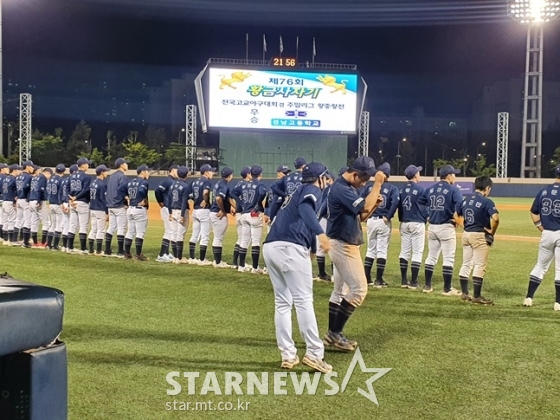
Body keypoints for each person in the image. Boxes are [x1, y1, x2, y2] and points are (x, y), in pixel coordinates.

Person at [263, 162, 333, 373]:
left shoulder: (297, 190)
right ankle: (314, 353)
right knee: (303, 302)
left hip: (271, 246)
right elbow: (305, 209)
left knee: (283, 303)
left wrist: (311, 247)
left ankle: (288, 355)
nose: (327, 181)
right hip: (290, 248)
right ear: (320, 178)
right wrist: (321, 234)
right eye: (325, 177)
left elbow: (302, 213)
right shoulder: (312, 189)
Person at [324, 157, 385, 352]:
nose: (365, 182)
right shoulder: (341, 188)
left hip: (344, 241)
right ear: (355, 174)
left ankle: (332, 334)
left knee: (340, 291)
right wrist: (377, 185)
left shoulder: (348, 188)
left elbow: (361, 216)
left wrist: (374, 204)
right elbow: (364, 207)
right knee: (359, 290)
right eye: (364, 178)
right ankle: (335, 332)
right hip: (343, 244)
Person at [523, 164, 560, 311]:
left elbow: (533, 212)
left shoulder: (544, 191)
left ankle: (529, 298)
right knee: (559, 269)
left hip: (546, 234)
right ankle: (558, 303)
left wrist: (540, 227)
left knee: (540, 266)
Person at [458, 175, 499, 305]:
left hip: (466, 234)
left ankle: (464, 293)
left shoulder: (465, 199)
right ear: (487, 188)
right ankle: (476, 296)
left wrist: (465, 226)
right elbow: (496, 218)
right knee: (480, 265)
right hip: (479, 235)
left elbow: (456, 215)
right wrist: (492, 231)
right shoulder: (487, 201)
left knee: (466, 263)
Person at [423, 164, 464, 295]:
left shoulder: (430, 189)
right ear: (449, 176)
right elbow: (460, 207)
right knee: (448, 258)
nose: (455, 176)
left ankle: (427, 286)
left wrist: (427, 215)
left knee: (431, 257)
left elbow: (420, 202)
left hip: (432, 227)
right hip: (446, 226)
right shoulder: (454, 190)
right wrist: (456, 218)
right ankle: (447, 289)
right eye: (454, 174)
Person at [363, 162, 399, 288]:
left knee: (370, 249)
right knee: (381, 250)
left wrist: (366, 216)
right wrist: (388, 216)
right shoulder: (392, 188)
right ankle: (378, 279)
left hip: (371, 220)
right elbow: (395, 203)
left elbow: (362, 201)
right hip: (383, 221)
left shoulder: (369, 187)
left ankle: (367, 278)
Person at [231, 165, 268, 274]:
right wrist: (257, 205)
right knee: (256, 241)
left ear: (251, 174)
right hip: (254, 214)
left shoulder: (244, 184)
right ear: (260, 174)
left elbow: (232, 193)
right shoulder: (260, 184)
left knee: (244, 240)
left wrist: (241, 202)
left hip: (244, 214)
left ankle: (241, 266)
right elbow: (262, 193)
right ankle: (255, 268)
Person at [398, 165, 429, 289]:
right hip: (417, 223)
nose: (419, 175)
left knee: (404, 251)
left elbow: (398, 206)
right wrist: (427, 216)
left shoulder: (401, 189)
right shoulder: (421, 190)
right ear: (415, 175)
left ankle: (404, 280)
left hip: (404, 222)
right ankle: (414, 282)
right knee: (417, 252)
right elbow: (426, 207)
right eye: (418, 173)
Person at [123, 164, 151, 261]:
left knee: (130, 231)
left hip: (130, 209)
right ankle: (138, 255)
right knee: (140, 232)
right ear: (143, 172)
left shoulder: (130, 182)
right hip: (139, 209)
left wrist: (128, 199)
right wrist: (144, 200)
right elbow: (142, 191)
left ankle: (127, 253)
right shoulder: (144, 182)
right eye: (147, 171)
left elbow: (122, 191)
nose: (148, 173)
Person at [188, 163, 214, 265]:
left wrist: (196, 199)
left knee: (195, 234)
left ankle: (192, 258)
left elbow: (190, 195)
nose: (212, 173)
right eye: (211, 171)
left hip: (195, 211)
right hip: (204, 211)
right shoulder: (206, 182)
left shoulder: (194, 182)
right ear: (206, 172)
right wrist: (205, 200)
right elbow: (206, 192)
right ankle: (202, 260)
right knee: (204, 236)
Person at [104, 157, 129, 258]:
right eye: (125, 163)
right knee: (121, 228)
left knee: (111, 227)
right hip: (118, 205)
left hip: (110, 205)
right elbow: (123, 190)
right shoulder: (122, 176)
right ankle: (120, 250)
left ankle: (107, 249)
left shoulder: (111, 176)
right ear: (121, 165)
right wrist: (126, 200)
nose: (127, 165)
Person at [315, 170, 336, 282]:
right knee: (328, 244)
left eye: (328, 179)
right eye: (326, 179)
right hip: (326, 218)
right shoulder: (328, 189)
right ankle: (324, 273)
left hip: (323, 218)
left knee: (324, 245)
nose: (327, 181)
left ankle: (324, 273)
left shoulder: (322, 189)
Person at [210, 167, 234, 268]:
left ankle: (217, 261)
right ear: (230, 176)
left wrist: (234, 206)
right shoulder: (223, 184)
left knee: (218, 237)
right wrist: (223, 210)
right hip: (217, 214)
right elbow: (219, 198)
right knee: (218, 238)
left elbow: (227, 197)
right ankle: (218, 262)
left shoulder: (219, 182)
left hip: (213, 212)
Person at [68, 157, 93, 254]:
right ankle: (83, 249)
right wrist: (76, 197)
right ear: (82, 165)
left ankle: (69, 247)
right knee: (83, 226)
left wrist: (70, 198)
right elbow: (86, 190)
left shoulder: (71, 176)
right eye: (87, 164)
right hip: (81, 202)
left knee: (73, 225)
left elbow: (66, 187)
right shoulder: (86, 177)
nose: (88, 165)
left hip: (72, 202)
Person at [167, 166, 191, 264]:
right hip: (181, 211)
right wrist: (182, 215)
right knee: (180, 235)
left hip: (173, 210)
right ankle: (179, 258)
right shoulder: (185, 186)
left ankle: (175, 257)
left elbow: (168, 199)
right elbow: (184, 201)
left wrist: (169, 213)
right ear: (186, 174)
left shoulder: (172, 184)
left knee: (174, 234)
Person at [155, 165, 178, 263]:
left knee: (171, 231)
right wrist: (160, 202)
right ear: (172, 170)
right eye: (177, 170)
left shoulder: (172, 180)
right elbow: (157, 190)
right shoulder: (168, 180)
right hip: (166, 209)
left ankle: (166, 253)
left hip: (168, 208)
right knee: (169, 231)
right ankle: (161, 254)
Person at [230, 167, 252, 268]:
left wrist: (233, 205)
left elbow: (231, 195)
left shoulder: (239, 183)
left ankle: (235, 263)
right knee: (245, 239)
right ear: (247, 174)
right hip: (243, 214)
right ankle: (241, 263)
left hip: (239, 214)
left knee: (240, 238)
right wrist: (241, 203)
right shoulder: (247, 184)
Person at [88, 165, 109, 256]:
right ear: (102, 172)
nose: (107, 173)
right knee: (101, 230)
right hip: (100, 209)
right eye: (105, 171)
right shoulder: (102, 184)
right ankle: (99, 250)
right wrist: (107, 212)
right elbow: (104, 199)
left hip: (92, 208)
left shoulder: (93, 183)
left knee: (94, 229)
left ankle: (91, 249)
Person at [29, 167, 52, 248]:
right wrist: (38, 201)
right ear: (47, 173)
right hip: (39, 201)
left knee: (34, 222)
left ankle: (35, 242)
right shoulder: (43, 177)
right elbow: (40, 190)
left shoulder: (35, 177)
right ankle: (43, 242)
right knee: (46, 222)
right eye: (50, 175)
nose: (49, 177)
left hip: (31, 200)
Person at [15, 161, 35, 248]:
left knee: (18, 220)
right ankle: (25, 242)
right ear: (27, 167)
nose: (32, 168)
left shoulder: (18, 176)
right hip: (24, 200)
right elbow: (25, 187)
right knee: (28, 221)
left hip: (19, 199)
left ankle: (14, 240)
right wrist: (27, 196)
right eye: (31, 167)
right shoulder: (28, 177)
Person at [46, 164, 66, 251]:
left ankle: (48, 244)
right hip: (58, 204)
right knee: (59, 225)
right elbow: (61, 193)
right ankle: (55, 245)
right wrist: (61, 203)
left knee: (53, 225)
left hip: (51, 203)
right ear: (64, 171)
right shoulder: (61, 180)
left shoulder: (50, 179)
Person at [1, 164, 21, 245]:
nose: (19, 171)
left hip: (4, 201)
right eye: (18, 170)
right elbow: (14, 191)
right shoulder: (14, 179)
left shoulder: (6, 178)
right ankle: (12, 240)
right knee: (12, 221)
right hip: (9, 201)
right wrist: (14, 201)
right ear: (14, 170)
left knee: (6, 221)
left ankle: (6, 240)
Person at [60, 165, 78, 251]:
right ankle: (69, 246)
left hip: (64, 202)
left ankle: (64, 246)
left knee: (65, 224)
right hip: (69, 202)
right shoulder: (73, 180)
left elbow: (60, 193)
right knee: (71, 225)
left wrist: (61, 203)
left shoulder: (64, 180)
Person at [0, 163, 7, 243]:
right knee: (3, 218)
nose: (7, 169)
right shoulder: (5, 177)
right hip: (3, 198)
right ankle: (2, 236)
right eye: (5, 168)